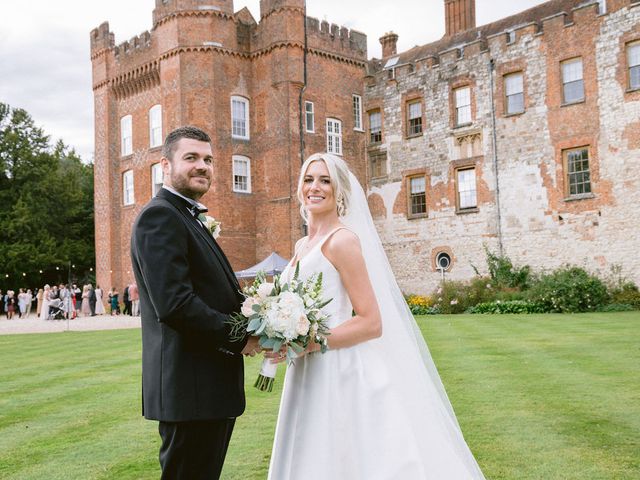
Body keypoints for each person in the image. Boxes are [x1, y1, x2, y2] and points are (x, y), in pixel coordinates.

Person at [267, 153, 486, 479]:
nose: (315, 187)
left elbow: (371, 322)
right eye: (309, 179)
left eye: (325, 180)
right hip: (305, 367)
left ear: (339, 190)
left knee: (342, 456)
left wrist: (312, 341)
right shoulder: (302, 245)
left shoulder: (342, 241)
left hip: (335, 366)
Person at [130, 126, 259, 480]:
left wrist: (263, 312)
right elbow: (175, 305)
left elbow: (215, 291)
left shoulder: (188, 217)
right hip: (189, 389)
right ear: (165, 164)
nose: (202, 166)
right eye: (191, 158)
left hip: (207, 389)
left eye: (208, 159)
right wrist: (242, 336)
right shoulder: (160, 217)